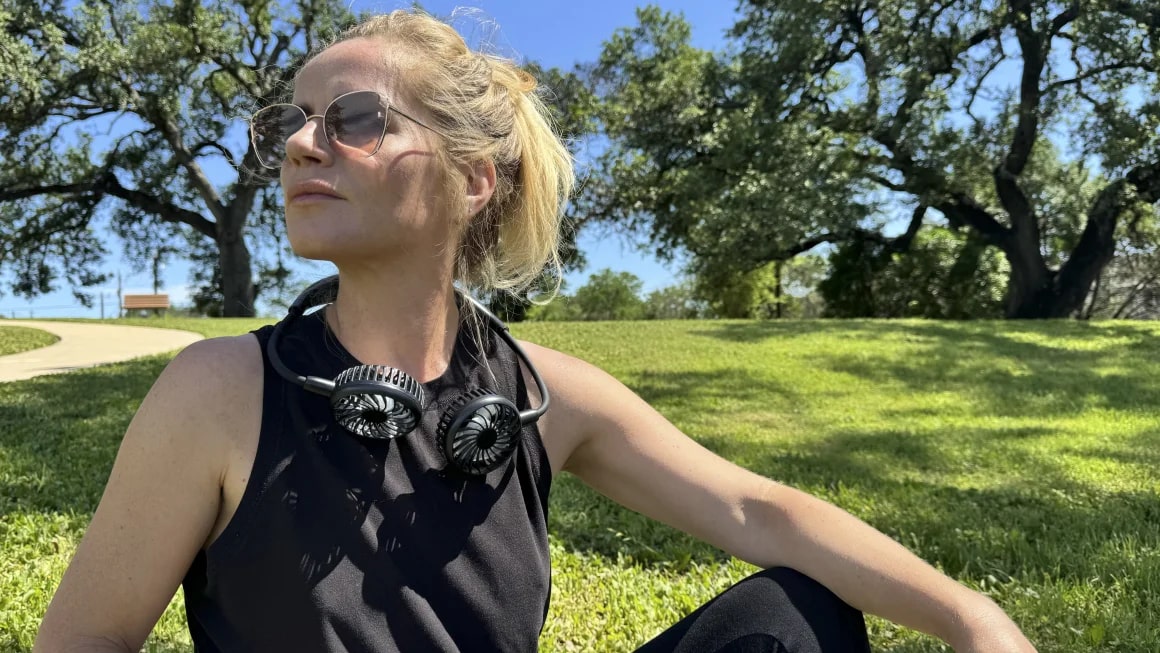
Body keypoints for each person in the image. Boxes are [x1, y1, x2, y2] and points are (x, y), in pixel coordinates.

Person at [34, 9, 1037, 653]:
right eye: (289, 122)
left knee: (793, 617)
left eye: (354, 118)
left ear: (473, 179)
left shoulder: (538, 396)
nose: (301, 144)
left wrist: (968, 614)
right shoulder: (217, 391)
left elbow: (754, 506)